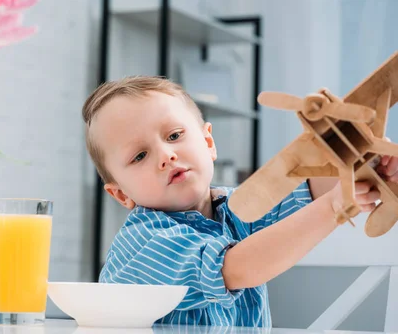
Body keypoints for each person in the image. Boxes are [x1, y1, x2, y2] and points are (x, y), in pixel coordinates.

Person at [81, 75, 398, 327]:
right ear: (121, 194)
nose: (166, 155)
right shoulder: (143, 243)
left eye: (174, 135)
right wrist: (333, 206)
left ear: (208, 143)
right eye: (140, 156)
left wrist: (367, 167)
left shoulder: (235, 207)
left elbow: (310, 189)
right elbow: (238, 268)